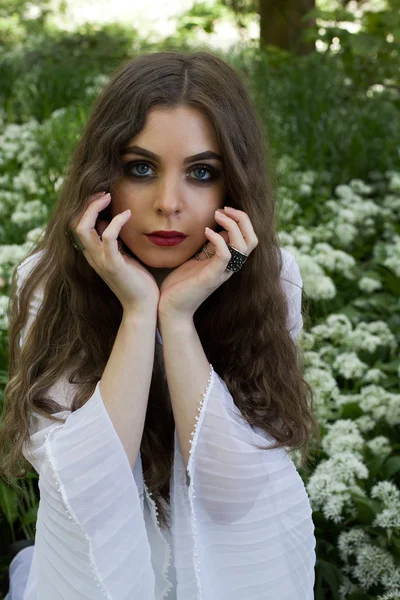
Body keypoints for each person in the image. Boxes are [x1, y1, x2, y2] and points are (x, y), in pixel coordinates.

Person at [0, 49, 320, 599]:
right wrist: (136, 310)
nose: (169, 203)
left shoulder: (272, 278)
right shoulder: (49, 283)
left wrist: (177, 317)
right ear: (104, 177)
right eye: (140, 168)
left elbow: (232, 499)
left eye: (201, 173)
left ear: (233, 186)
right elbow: (89, 498)